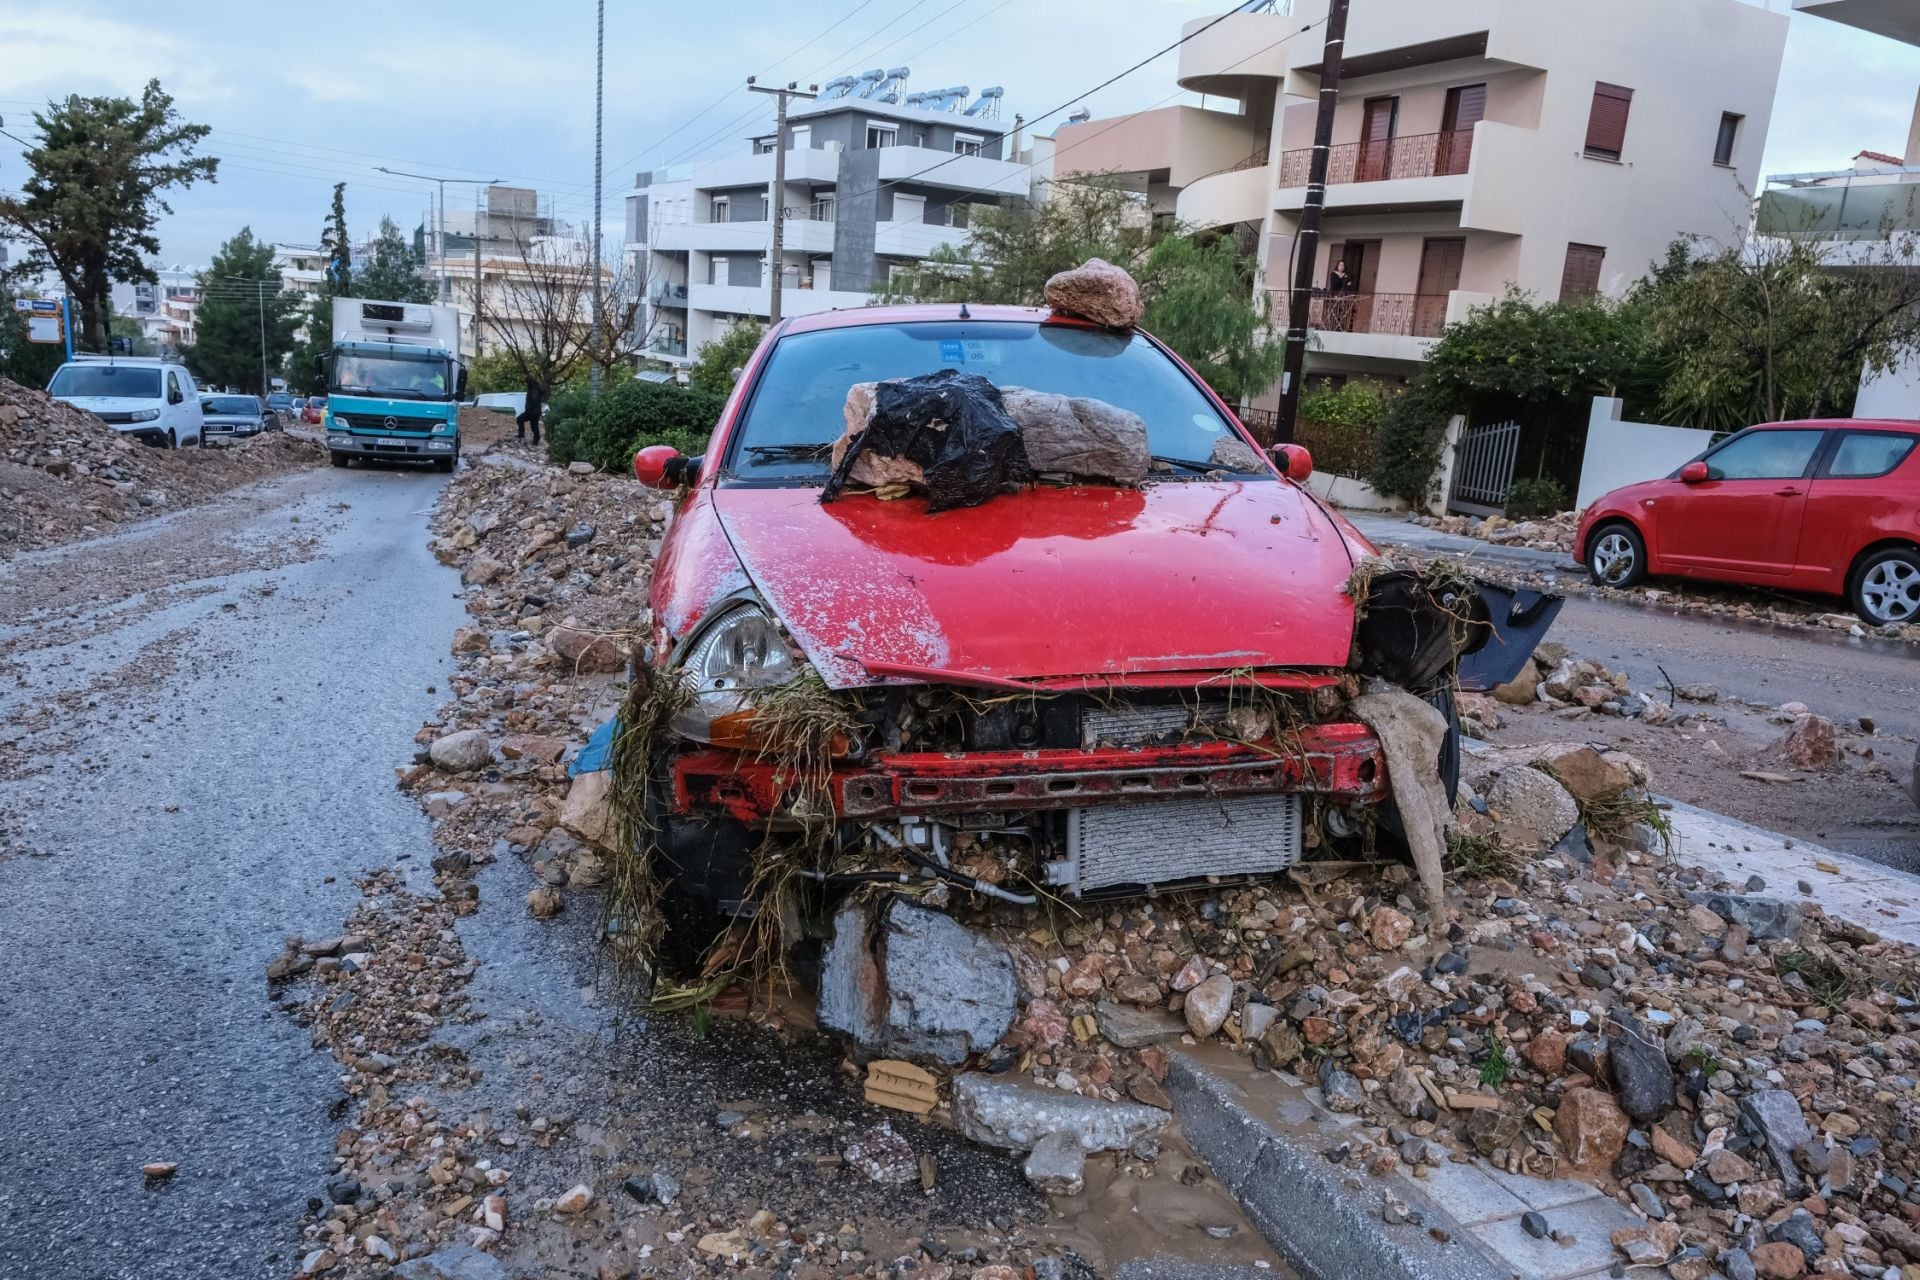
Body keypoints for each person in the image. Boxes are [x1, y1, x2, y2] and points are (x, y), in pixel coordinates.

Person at [1326, 257, 1357, 333]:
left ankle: (1341, 327)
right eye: (1340, 265)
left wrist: (1349, 282)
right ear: (1337, 266)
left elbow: (1350, 280)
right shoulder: (1333, 274)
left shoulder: (1346, 274)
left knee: (1342, 312)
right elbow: (1335, 284)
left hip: (1343, 295)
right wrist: (1344, 280)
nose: (1341, 267)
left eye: (1343, 266)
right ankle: (1332, 327)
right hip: (1334, 295)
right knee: (1334, 312)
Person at [515, 378, 544, 446]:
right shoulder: (534, 388)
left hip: (533, 412)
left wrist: (529, 408)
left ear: (529, 382)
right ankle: (521, 434)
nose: (525, 384)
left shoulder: (534, 389)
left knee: (534, 426)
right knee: (520, 419)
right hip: (532, 411)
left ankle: (536, 440)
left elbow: (534, 400)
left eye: (526, 382)